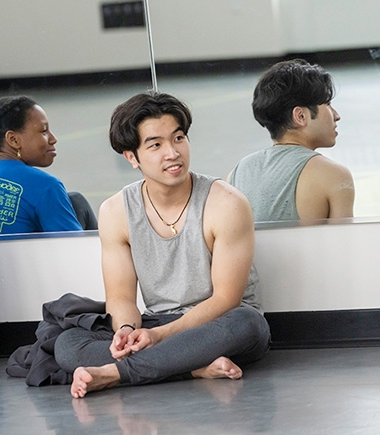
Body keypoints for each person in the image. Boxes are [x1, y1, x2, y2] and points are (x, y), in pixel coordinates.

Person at [54, 92, 270, 398]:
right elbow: (119, 297)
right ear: (131, 157)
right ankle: (193, 368)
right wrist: (127, 331)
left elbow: (226, 299)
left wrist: (158, 337)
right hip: (159, 322)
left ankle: (115, 373)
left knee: (248, 324)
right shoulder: (116, 211)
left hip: (217, 324)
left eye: (179, 138)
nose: (173, 153)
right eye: (155, 145)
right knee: (67, 344)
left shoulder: (227, 203)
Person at [228, 59, 355, 222]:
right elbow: (345, 244)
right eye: (328, 105)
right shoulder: (334, 175)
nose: (337, 115)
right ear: (300, 116)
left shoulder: (236, 174)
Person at [0, 96, 97, 235]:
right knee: (76, 201)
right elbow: (73, 248)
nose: (53, 139)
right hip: (25, 258)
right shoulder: (45, 185)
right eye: (43, 131)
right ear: (13, 139)